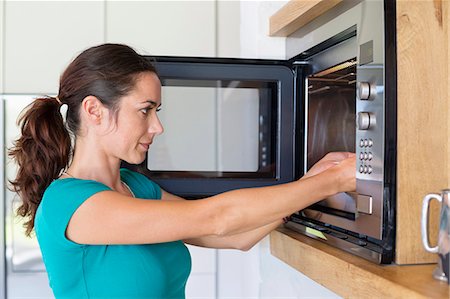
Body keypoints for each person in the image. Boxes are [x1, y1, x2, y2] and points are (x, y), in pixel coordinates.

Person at [8, 43, 356, 299]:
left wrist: (315, 182)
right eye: (145, 110)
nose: (158, 126)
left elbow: (235, 236)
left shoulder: (136, 187)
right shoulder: (69, 204)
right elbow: (216, 218)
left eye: (157, 110)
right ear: (95, 111)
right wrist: (335, 179)